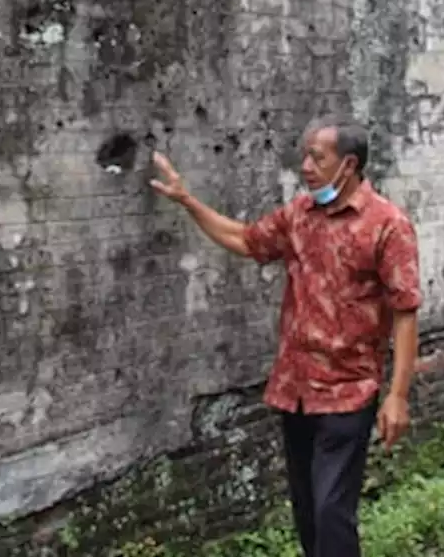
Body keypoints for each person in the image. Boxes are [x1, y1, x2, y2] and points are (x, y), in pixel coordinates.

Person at [149, 115, 422, 557]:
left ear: (348, 164)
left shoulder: (388, 225)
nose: (306, 167)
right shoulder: (300, 215)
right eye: (305, 156)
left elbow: (405, 311)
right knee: (309, 511)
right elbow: (245, 239)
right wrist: (187, 201)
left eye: (318, 157)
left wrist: (398, 396)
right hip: (296, 389)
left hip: (349, 390)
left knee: (333, 510)